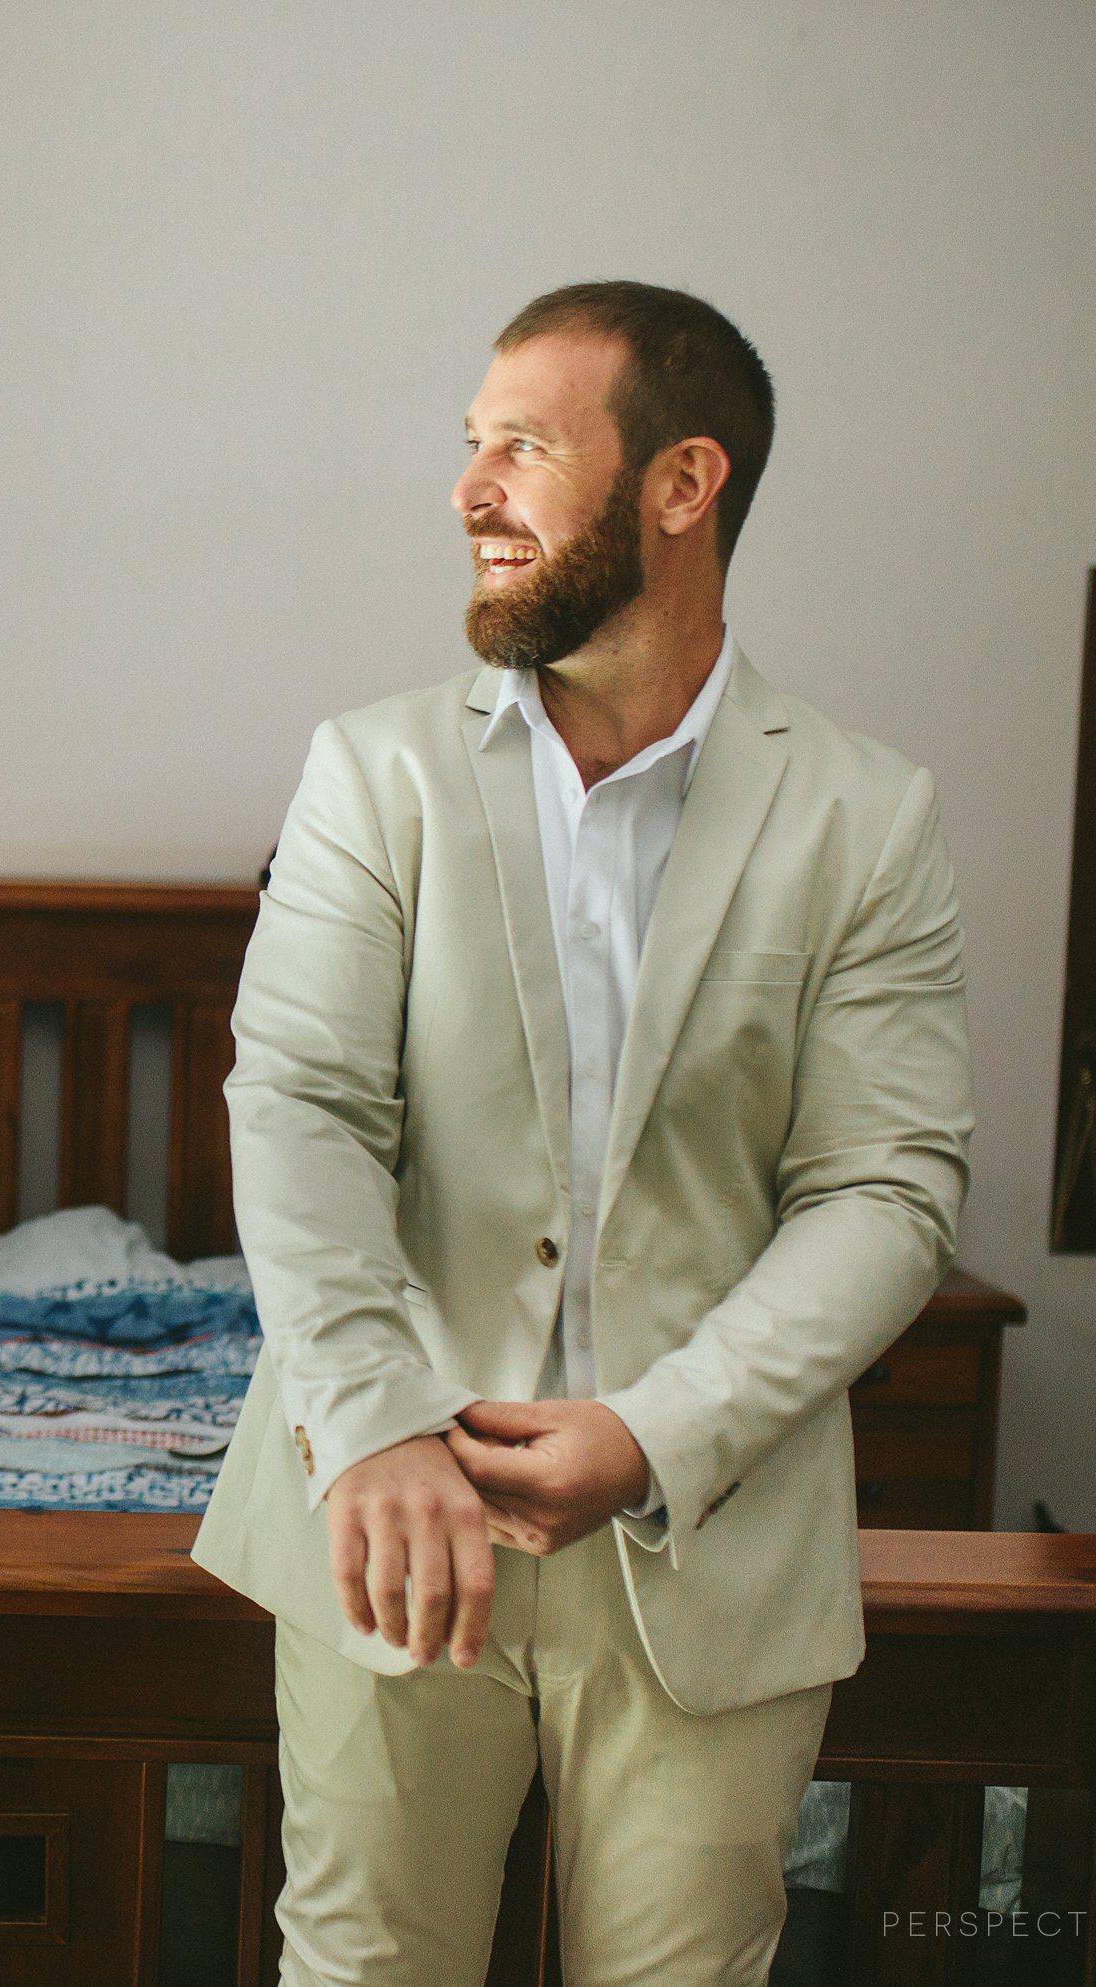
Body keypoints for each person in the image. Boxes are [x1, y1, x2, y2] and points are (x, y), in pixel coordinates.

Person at [192, 280, 973, 1985]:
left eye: (524, 448)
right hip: (383, 1516)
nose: (469, 490)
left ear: (683, 483)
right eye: (471, 445)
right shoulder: (373, 775)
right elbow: (302, 1103)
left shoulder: (865, 816)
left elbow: (888, 1189)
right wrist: (374, 1422)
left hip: (710, 1536)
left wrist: (659, 1434)